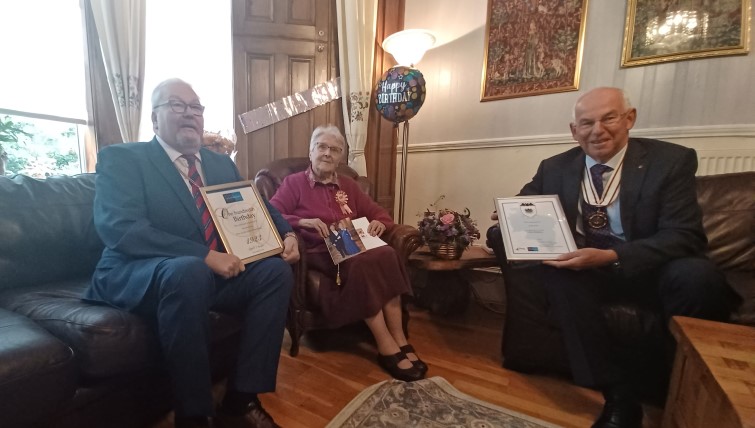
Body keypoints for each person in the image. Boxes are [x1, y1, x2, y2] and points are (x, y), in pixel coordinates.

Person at [487, 87, 737, 428]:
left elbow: (685, 235)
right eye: (586, 123)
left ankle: (685, 386)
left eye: (609, 118)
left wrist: (610, 255)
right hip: (588, 271)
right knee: (558, 275)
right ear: (574, 131)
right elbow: (527, 202)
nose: (597, 130)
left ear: (629, 119)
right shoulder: (555, 167)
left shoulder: (670, 161)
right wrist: (510, 216)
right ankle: (619, 395)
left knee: (697, 276)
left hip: (652, 267)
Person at [84, 78, 299, 428]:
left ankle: (241, 399)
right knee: (189, 271)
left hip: (206, 276)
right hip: (138, 272)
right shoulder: (122, 159)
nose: (189, 114)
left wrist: (287, 233)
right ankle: (194, 414)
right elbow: (119, 228)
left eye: (195, 107)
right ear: (154, 120)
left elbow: (258, 206)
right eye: (177, 105)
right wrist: (204, 256)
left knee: (275, 273)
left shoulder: (219, 165)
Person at [269, 125, 427, 382]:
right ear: (311, 151)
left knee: (387, 254)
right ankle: (385, 343)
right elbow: (272, 213)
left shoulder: (349, 186)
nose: (327, 153)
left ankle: (399, 337)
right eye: (321, 147)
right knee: (362, 261)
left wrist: (381, 224)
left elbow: (378, 213)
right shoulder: (294, 183)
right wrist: (302, 222)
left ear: (340, 157)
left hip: (350, 240)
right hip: (319, 249)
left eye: (334, 149)